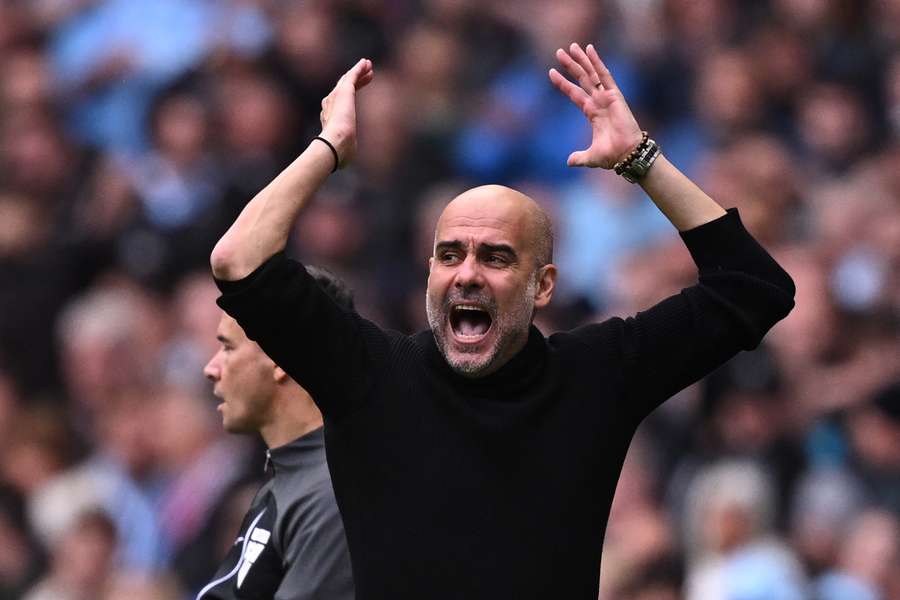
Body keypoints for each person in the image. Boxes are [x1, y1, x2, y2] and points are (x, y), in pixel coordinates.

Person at [209, 44, 795, 599]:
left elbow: (754, 287)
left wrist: (641, 160)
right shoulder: (368, 374)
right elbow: (238, 262)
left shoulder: (597, 375)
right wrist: (329, 146)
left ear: (542, 286)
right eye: (449, 254)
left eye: (495, 257)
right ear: (429, 272)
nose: (466, 274)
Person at [197, 267, 355, 600]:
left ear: (280, 355)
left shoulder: (334, 493)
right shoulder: (292, 479)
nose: (210, 369)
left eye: (227, 348)